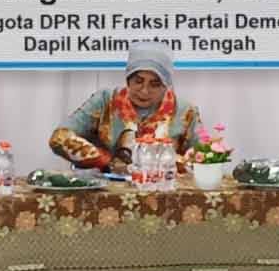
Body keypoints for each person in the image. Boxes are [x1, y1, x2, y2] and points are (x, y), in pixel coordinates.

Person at [49, 42, 202, 174]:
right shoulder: (104, 101)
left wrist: (170, 162)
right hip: (106, 189)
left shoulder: (185, 111)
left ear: (166, 86)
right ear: (128, 80)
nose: (144, 91)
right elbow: (60, 137)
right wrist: (106, 161)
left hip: (163, 190)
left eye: (155, 84)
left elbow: (204, 154)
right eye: (138, 81)